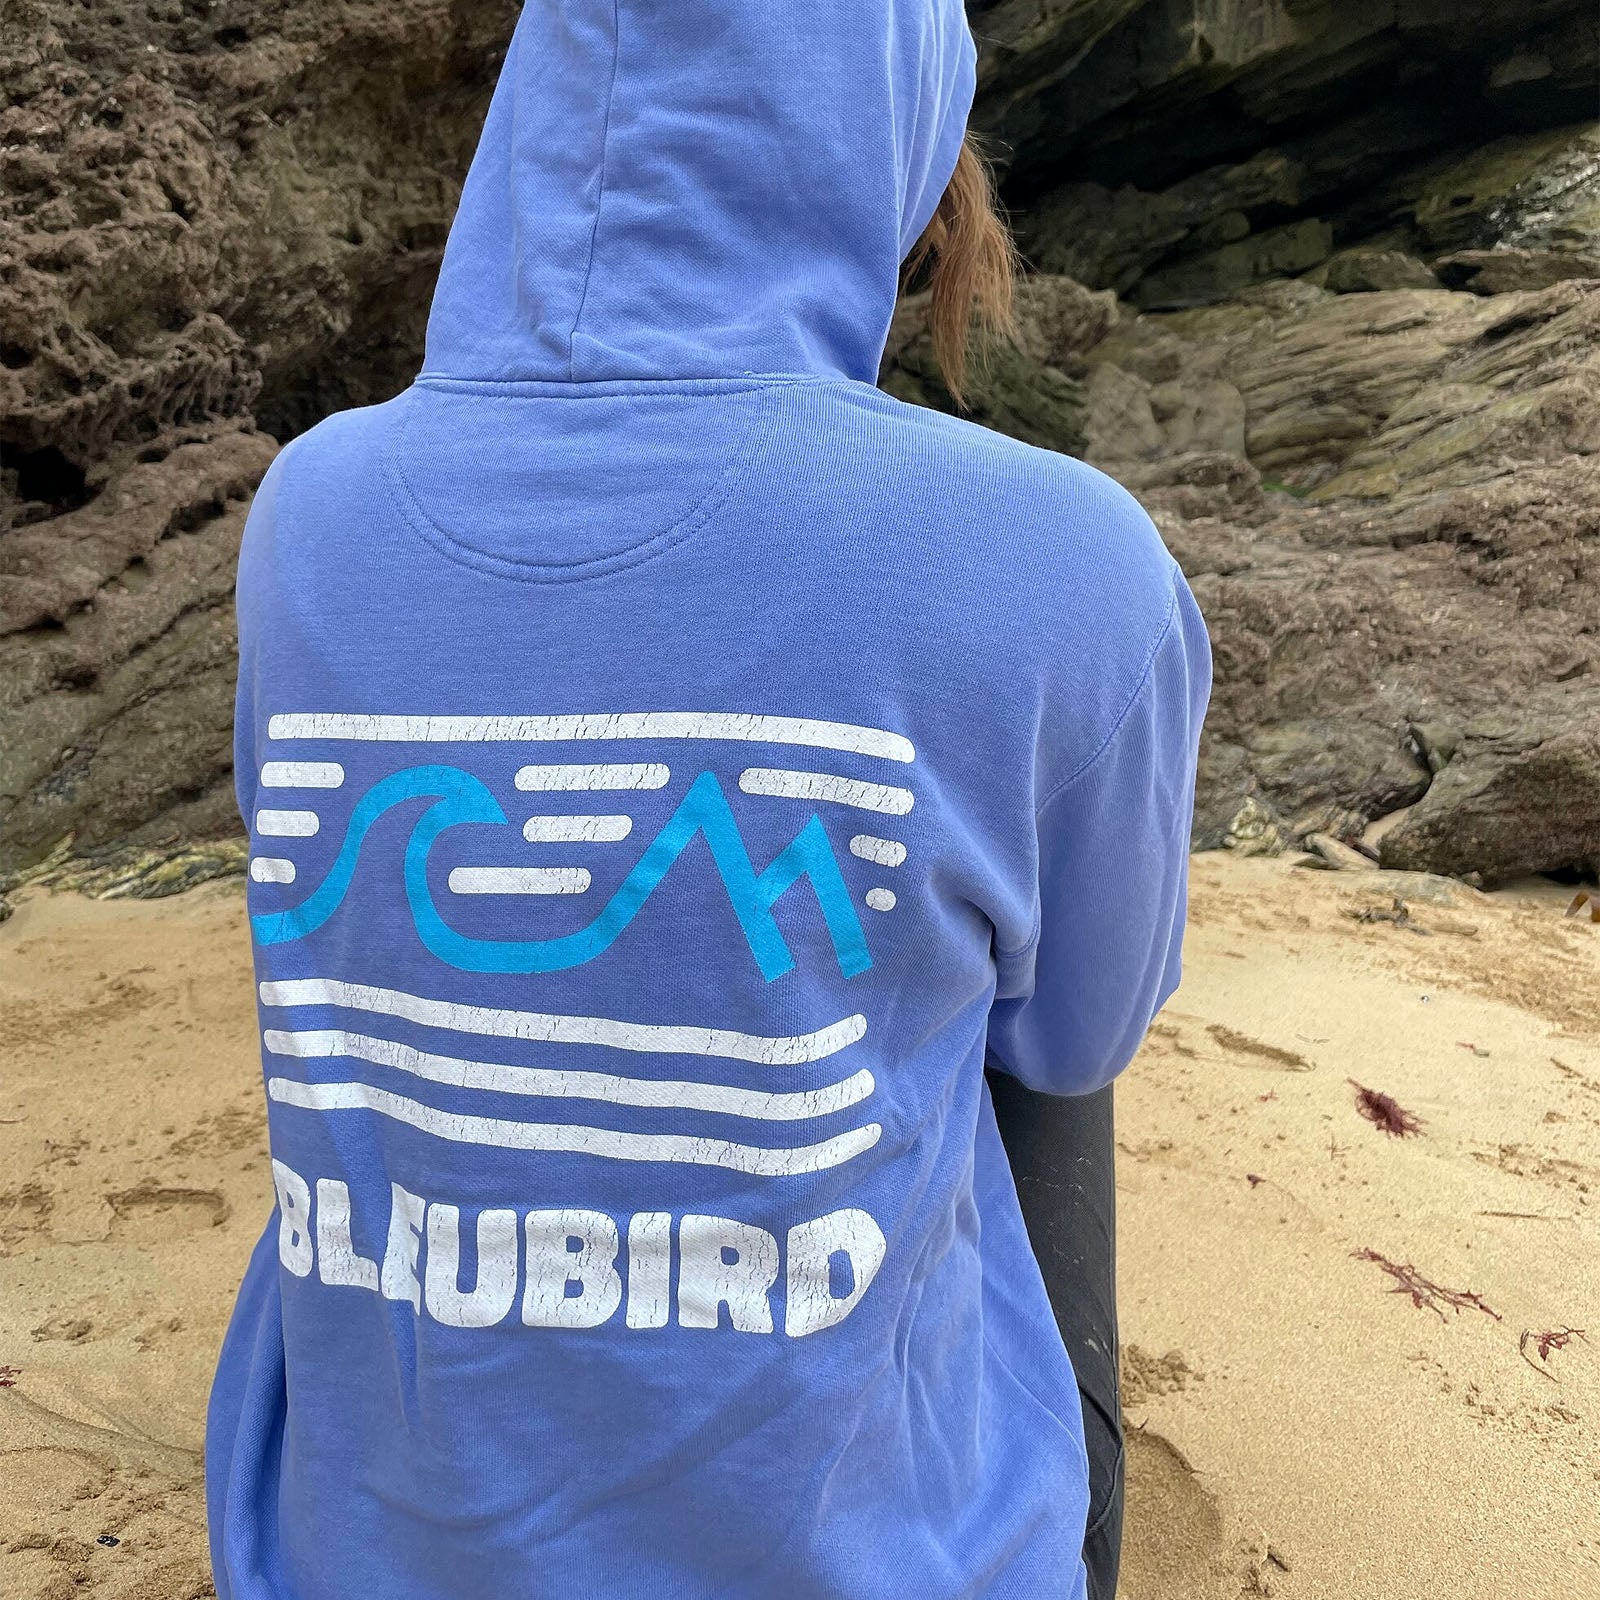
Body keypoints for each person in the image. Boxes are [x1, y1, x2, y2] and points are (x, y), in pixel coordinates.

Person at [206, 3, 1211, 1597]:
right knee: (1006, 992)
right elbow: (1077, 1042)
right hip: (856, 1563)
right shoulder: (1068, 560)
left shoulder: (303, 513)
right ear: (896, 146)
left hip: (349, 1551)